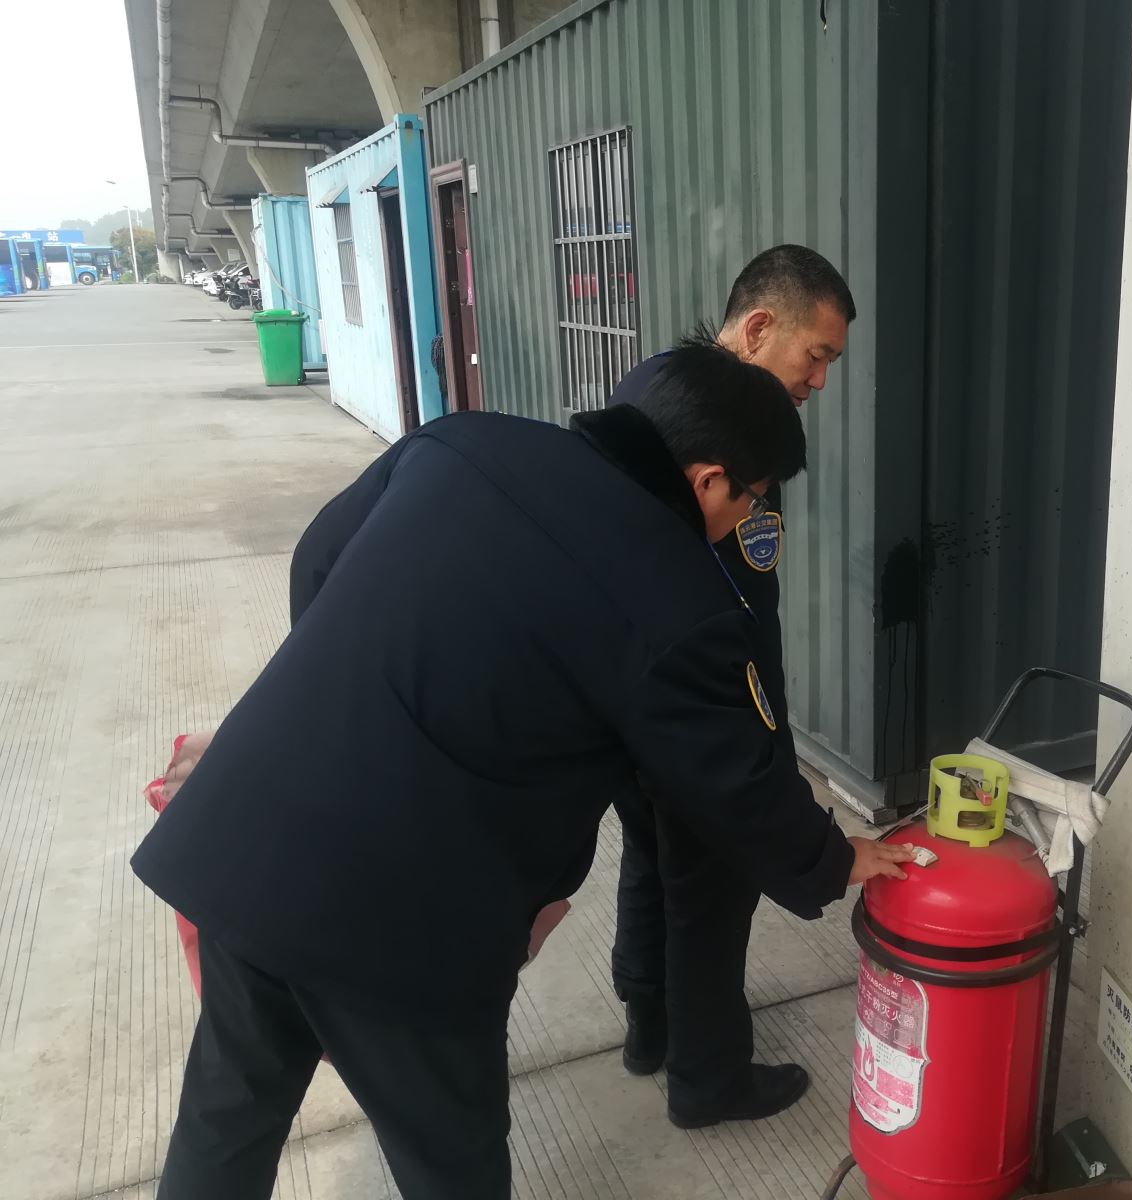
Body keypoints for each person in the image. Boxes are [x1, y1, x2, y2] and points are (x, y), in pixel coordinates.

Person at [131, 339, 914, 1200]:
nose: (745, 520)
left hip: (247, 837)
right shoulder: (674, 593)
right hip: (397, 924)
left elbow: (317, 560)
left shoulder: (461, 443)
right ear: (707, 480)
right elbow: (732, 780)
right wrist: (833, 857)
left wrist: (349, 708)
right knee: (452, 1161)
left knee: (225, 1121)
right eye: (753, 498)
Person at [605, 245, 854, 1126]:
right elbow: (737, 615)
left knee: (651, 855)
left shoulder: (650, 389)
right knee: (712, 887)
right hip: (696, 706)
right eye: (814, 356)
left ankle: (650, 1024)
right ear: (757, 328)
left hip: (631, 703)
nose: (819, 381)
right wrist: (765, 748)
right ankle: (709, 1079)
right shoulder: (724, 434)